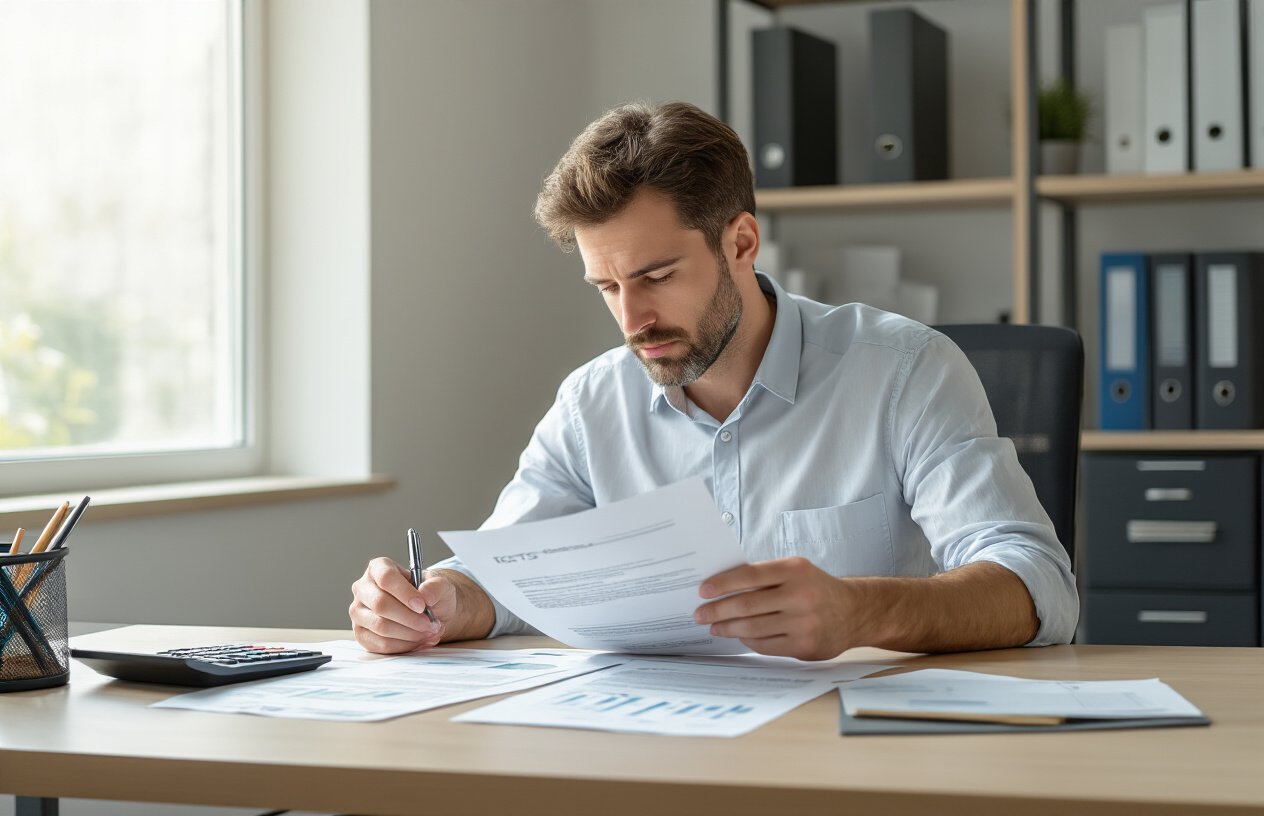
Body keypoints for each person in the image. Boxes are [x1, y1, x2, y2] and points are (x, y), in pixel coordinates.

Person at [350, 101, 1078, 661]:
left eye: (656, 276)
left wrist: (862, 611)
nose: (632, 318)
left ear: (741, 242)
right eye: (605, 286)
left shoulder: (904, 371)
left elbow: (1036, 586)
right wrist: (438, 602)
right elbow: (509, 573)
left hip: (850, 762)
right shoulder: (592, 402)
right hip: (660, 754)